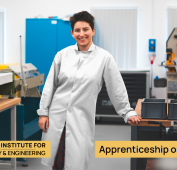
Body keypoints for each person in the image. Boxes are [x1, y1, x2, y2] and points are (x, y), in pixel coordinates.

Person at [37, 11, 142, 170]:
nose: (82, 34)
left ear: (93, 31)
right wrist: (43, 113)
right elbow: (50, 86)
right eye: (77, 30)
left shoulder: (104, 58)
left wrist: (127, 112)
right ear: (72, 33)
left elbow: (116, 88)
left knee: (75, 163)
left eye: (85, 29)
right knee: (55, 162)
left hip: (81, 119)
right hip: (55, 116)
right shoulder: (62, 55)